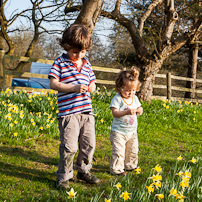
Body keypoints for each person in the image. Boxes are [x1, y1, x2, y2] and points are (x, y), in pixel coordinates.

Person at [48, 24, 101, 189]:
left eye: (83, 51)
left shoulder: (86, 63)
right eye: (75, 52)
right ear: (66, 47)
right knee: (70, 146)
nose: (79, 55)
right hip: (68, 113)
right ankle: (63, 177)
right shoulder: (60, 62)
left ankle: (83, 171)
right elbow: (53, 83)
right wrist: (73, 88)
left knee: (89, 144)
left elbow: (93, 82)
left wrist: (92, 87)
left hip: (87, 112)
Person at [109, 67, 143, 176]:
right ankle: (117, 169)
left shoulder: (135, 99)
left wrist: (139, 111)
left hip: (132, 132)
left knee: (132, 150)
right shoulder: (117, 99)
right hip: (118, 132)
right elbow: (115, 113)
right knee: (119, 152)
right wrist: (126, 112)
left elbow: (140, 109)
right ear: (120, 88)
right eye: (128, 90)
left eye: (133, 90)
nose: (130, 93)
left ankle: (130, 166)